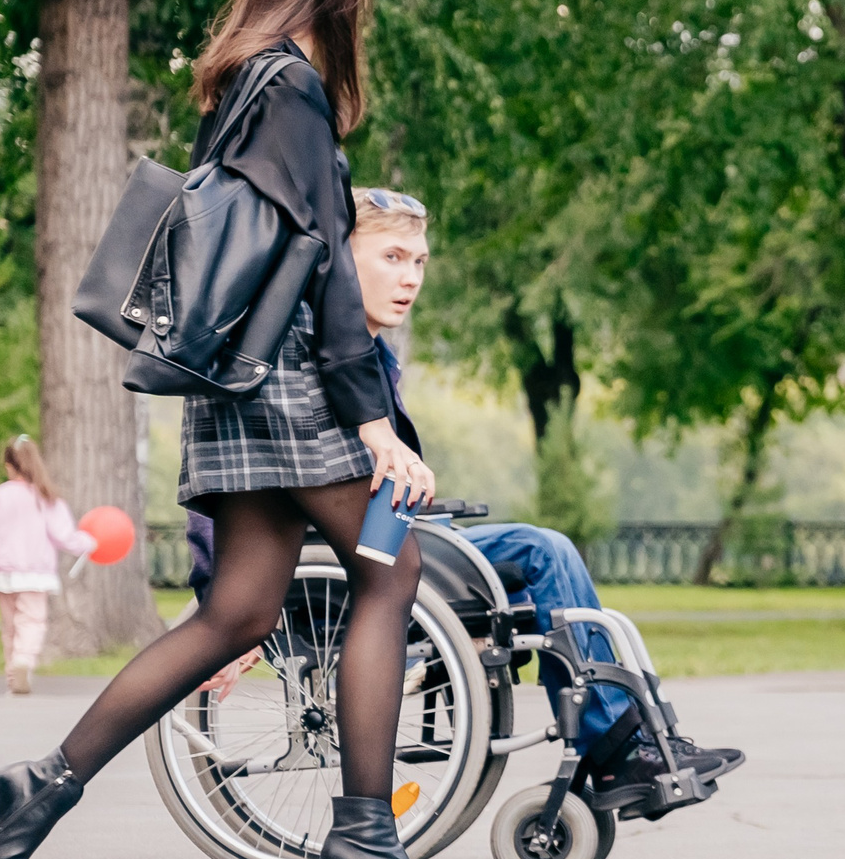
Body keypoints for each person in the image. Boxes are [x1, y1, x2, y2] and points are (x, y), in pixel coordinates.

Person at [0, 0, 464, 859]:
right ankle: (365, 834)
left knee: (239, 613)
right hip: (294, 381)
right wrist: (373, 422)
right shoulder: (294, 88)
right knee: (391, 566)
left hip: (237, 389)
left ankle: (43, 782)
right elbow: (325, 268)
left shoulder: (240, 80)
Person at [192, 188, 731, 788]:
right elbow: (233, 482)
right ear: (339, 261)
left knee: (547, 552)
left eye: (419, 261)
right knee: (541, 550)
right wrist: (225, 607)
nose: (411, 278)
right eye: (393, 257)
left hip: (390, 537)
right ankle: (614, 749)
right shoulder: (301, 353)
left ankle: (629, 737)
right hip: (339, 563)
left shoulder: (372, 356)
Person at [0, 436, 97, 695]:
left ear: (9, 466)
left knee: (10, 628)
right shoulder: (47, 496)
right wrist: (88, 542)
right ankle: (22, 663)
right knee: (32, 622)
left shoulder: (0, 495)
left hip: (4, 575)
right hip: (36, 575)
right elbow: (64, 536)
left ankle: (13, 678)